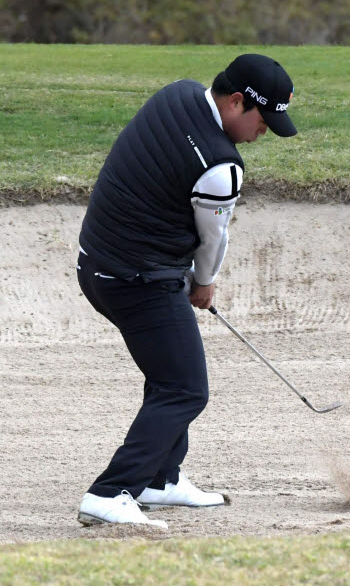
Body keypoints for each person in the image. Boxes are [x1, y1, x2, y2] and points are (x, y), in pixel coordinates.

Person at [75, 54, 297, 529]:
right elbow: (213, 239)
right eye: (263, 120)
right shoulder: (221, 168)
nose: (264, 133)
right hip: (136, 280)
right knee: (185, 389)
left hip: (98, 264)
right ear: (237, 102)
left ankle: (161, 479)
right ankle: (111, 491)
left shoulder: (175, 93)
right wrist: (203, 284)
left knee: (168, 372)